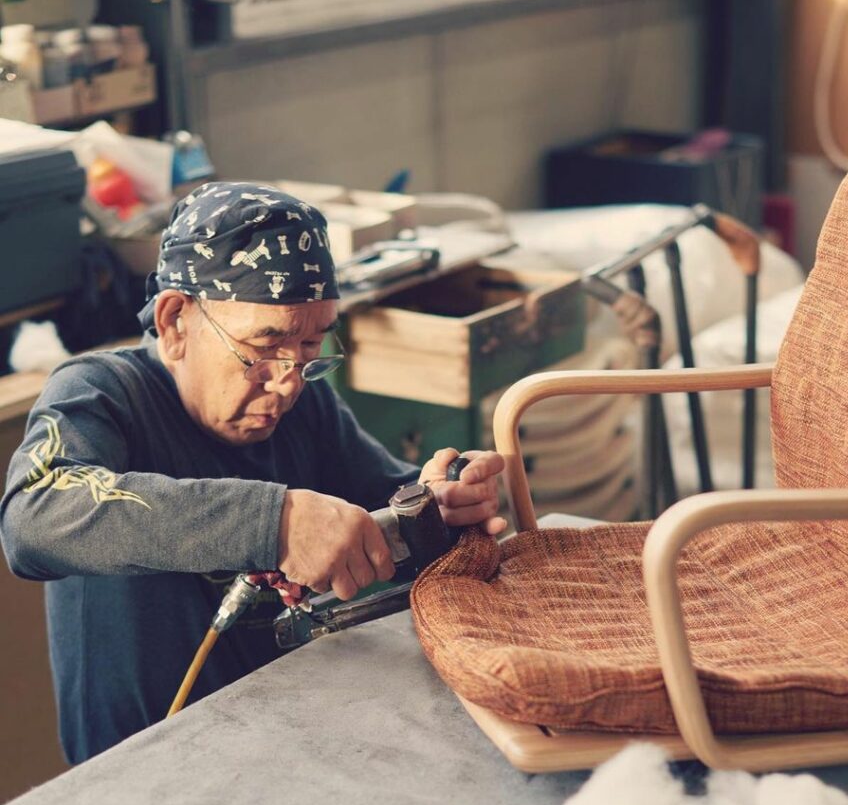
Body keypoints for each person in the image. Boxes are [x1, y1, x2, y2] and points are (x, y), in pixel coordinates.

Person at [0, 182, 505, 765]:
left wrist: (438, 501)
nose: (287, 383)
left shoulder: (304, 407)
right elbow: (33, 514)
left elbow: (380, 496)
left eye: (311, 348)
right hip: (137, 762)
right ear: (175, 322)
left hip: (275, 735)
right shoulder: (102, 394)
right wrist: (276, 521)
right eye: (263, 347)